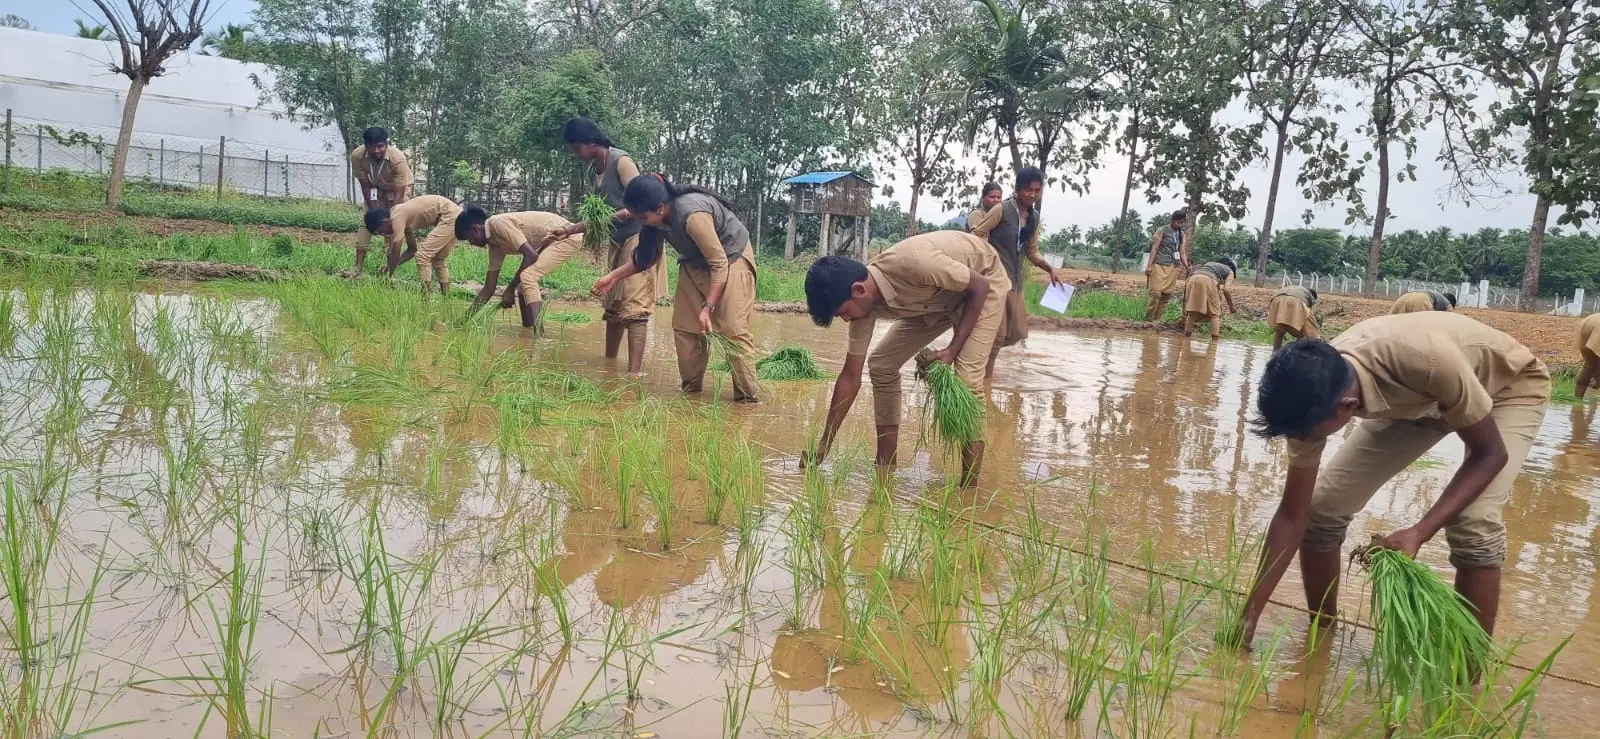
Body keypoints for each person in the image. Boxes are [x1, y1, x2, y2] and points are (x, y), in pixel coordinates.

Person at [1235, 312, 1550, 645]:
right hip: (1422, 399)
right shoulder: (1308, 399)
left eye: (1308, 436)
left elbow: (1491, 455)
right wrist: (1249, 613)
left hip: (1506, 388)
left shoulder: (1428, 359)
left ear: (1348, 407)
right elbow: (1292, 515)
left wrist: (1419, 532)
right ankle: (1322, 635)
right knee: (1322, 510)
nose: (1302, 442)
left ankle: (1468, 668)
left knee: (1473, 521)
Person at [801, 230, 1010, 487]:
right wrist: (824, 445)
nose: (846, 319)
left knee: (967, 379)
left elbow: (980, 286)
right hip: (936, 299)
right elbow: (850, 376)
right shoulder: (861, 305)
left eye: (843, 312)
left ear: (858, 289)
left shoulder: (915, 262)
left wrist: (952, 349)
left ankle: (969, 488)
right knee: (882, 365)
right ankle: (885, 464)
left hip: (981, 282)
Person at [590, 174, 759, 401]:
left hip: (731, 258)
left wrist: (707, 307)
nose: (641, 222)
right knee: (685, 328)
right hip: (694, 262)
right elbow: (645, 258)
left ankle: (747, 399)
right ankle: (691, 392)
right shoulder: (656, 221)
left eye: (643, 217)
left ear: (660, 208)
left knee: (732, 330)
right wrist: (613, 277)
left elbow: (718, 263)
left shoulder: (693, 214)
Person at [544, 118, 666, 375]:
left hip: (639, 236)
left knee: (634, 306)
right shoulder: (593, 170)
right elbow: (600, 215)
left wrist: (601, 221)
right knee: (613, 303)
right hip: (616, 239)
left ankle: (634, 375)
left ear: (592, 142)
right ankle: (610, 366)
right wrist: (570, 230)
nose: (576, 154)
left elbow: (640, 204)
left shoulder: (621, 161)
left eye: (577, 148)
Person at [969, 167, 1069, 385]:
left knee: (1013, 331)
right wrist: (988, 261)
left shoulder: (1034, 217)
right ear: (1017, 189)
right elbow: (977, 234)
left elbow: (1032, 251)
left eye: (1037, 190)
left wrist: (1050, 269)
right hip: (995, 281)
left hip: (1015, 283)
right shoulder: (1002, 210)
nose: (1032, 195)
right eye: (1028, 190)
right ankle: (984, 381)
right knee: (997, 334)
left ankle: (979, 373)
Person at [455, 205, 582, 330]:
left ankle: (540, 336)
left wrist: (510, 290)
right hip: (549, 241)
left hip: (566, 235)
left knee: (528, 277)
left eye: (468, 238)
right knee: (523, 283)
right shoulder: (495, 245)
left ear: (475, 229)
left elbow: (531, 255)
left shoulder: (497, 224)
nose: (471, 243)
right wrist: (462, 321)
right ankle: (528, 329)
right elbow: (489, 288)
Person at [362, 193, 462, 294]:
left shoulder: (396, 215)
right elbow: (412, 250)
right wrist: (389, 266)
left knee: (422, 256)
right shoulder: (404, 221)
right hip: (454, 215)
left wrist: (388, 275)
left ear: (384, 222)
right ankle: (446, 296)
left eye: (380, 232)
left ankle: (425, 297)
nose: (384, 235)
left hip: (449, 215)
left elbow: (396, 247)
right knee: (438, 260)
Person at [347, 127, 413, 278]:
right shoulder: (357, 156)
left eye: (380, 146)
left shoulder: (398, 159)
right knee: (367, 222)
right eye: (371, 146)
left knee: (394, 226)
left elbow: (399, 193)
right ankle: (357, 267)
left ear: (386, 144)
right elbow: (365, 185)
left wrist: (391, 217)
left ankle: (389, 270)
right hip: (375, 190)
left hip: (397, 191)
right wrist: (374, 212)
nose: (376, 150)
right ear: (365, 145)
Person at [1143, 211, 1191, 322]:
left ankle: (1157, 319)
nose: (1180, 225)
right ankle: (1148, 319)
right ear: (1172, 220)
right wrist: (1149, 266)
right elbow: (1154, 248)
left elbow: (1182, 252)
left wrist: (1187, 266)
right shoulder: (1162, 231)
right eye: (1178, 222)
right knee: (1156, 292)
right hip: (1159, 265)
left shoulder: (1181, 234)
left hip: (1173, 266)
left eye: (1182, 223)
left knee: (1166, 294)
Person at [1183, 258, 1238, 339]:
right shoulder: (1230, 271)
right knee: (1215, 314)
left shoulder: (1210, 264)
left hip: (1192, 279)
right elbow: (1226, 289)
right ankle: (1214, 341)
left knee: (1192, 312)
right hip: (1208, 280)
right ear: (1232, 267)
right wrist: (1231, 306)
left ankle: (1186, 338)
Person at [1267, 285, 1320, 351]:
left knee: (1280, 328)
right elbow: (1306, 316)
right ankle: (1317, 350)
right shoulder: (1310, 296)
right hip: (1295, 301)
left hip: (1276, 300)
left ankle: (1275, 352)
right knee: (1312, 329)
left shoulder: (1299, 289)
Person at [1576, 313, 1600, 399]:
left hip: (1588, 321)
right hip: (1597, 326)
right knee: (1592, 364)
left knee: (1590, 364)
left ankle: (1577, 399)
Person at [1391, 290, 1456, 314]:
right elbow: (1450, 318)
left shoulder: (1436, 296)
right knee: (1424, 326)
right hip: (1421, 299)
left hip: (1403, 298)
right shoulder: (1447, 303)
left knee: (1393, 323)